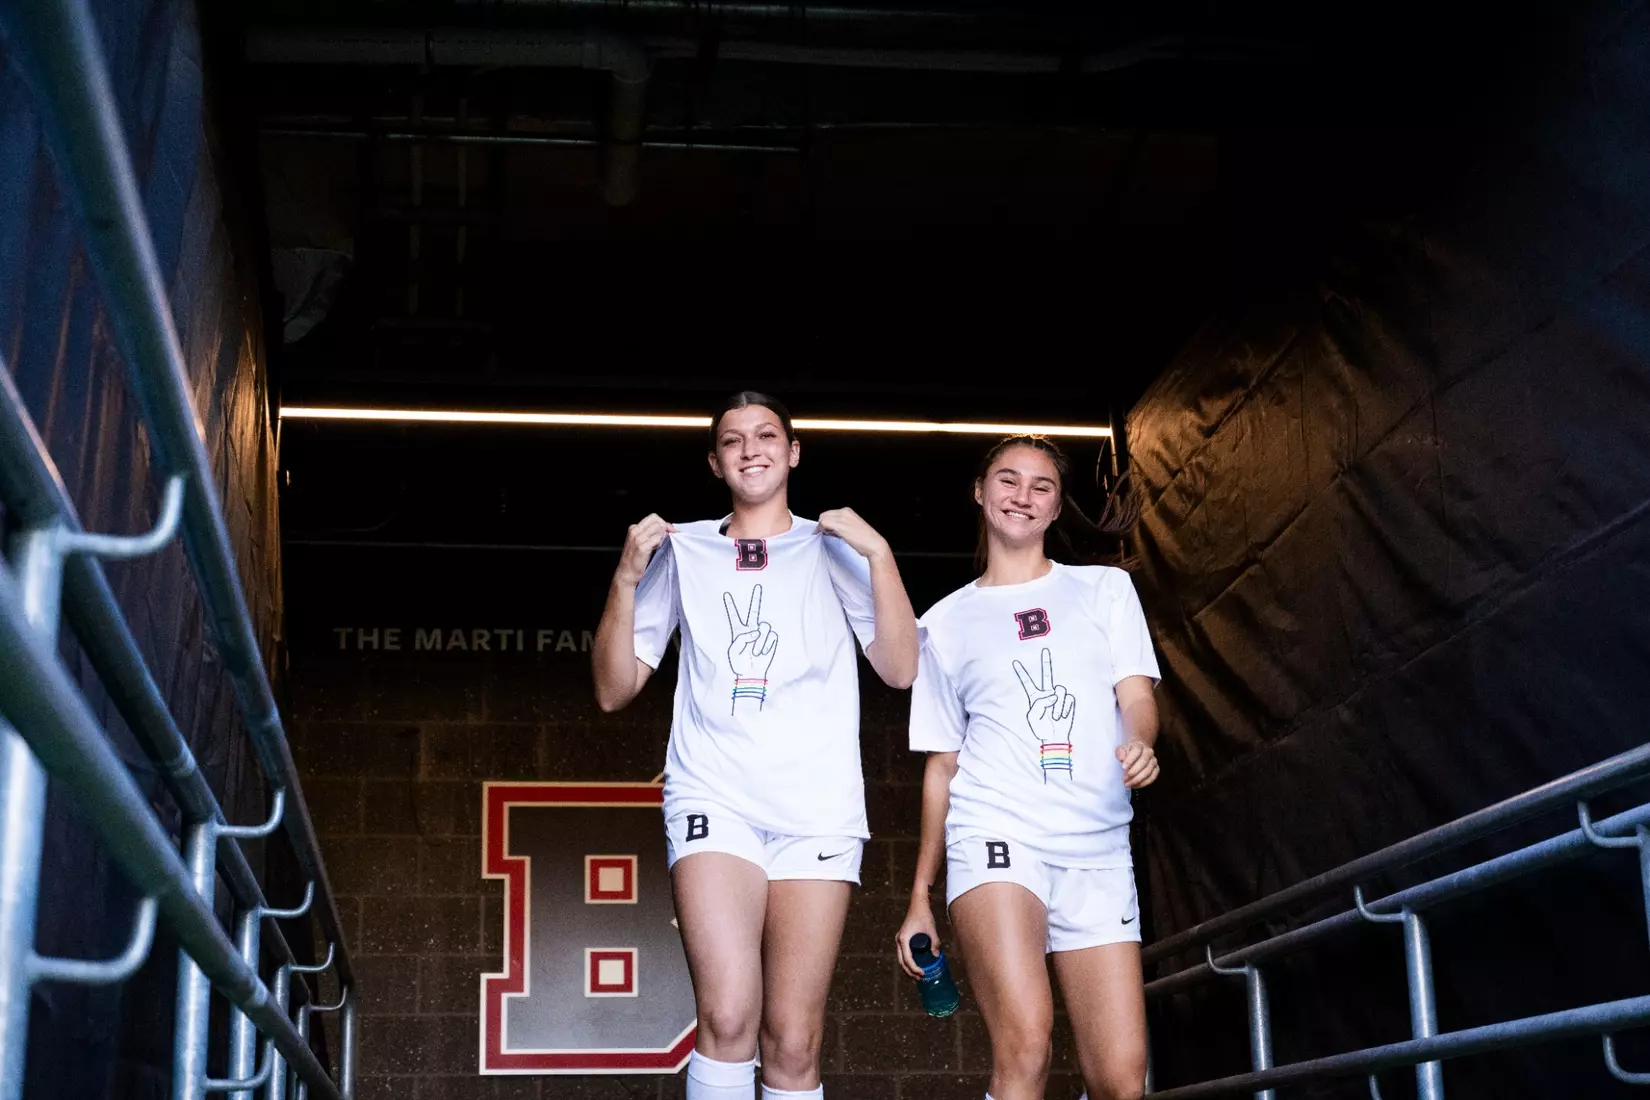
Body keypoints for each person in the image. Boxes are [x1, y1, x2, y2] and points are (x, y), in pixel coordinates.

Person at [593, 391, 919, 1100]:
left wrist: (882, 553)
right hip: (716, 795)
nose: (752, 450)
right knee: (728, 1013)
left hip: (818, 809)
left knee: (794, 1042)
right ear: (715, 462)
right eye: (734, 441)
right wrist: (625, 577)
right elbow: (615, 689)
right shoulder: (686, 549)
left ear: (793, 452)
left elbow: (901, 669)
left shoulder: (835, 545)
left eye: (767, 435)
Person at [895, 434, 1161, 1100]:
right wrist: (920, 896)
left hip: (1098, 849)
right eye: (1007, 480)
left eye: (1041, 486)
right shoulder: (944, 623)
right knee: (1027, 1044)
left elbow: (1136, 695)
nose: (1023, 495)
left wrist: (1141, 742)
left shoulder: (1105, 590)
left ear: (1057, 506)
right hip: (997, 837)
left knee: (1121, 1079)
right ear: (981, 493)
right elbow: (942, 765)